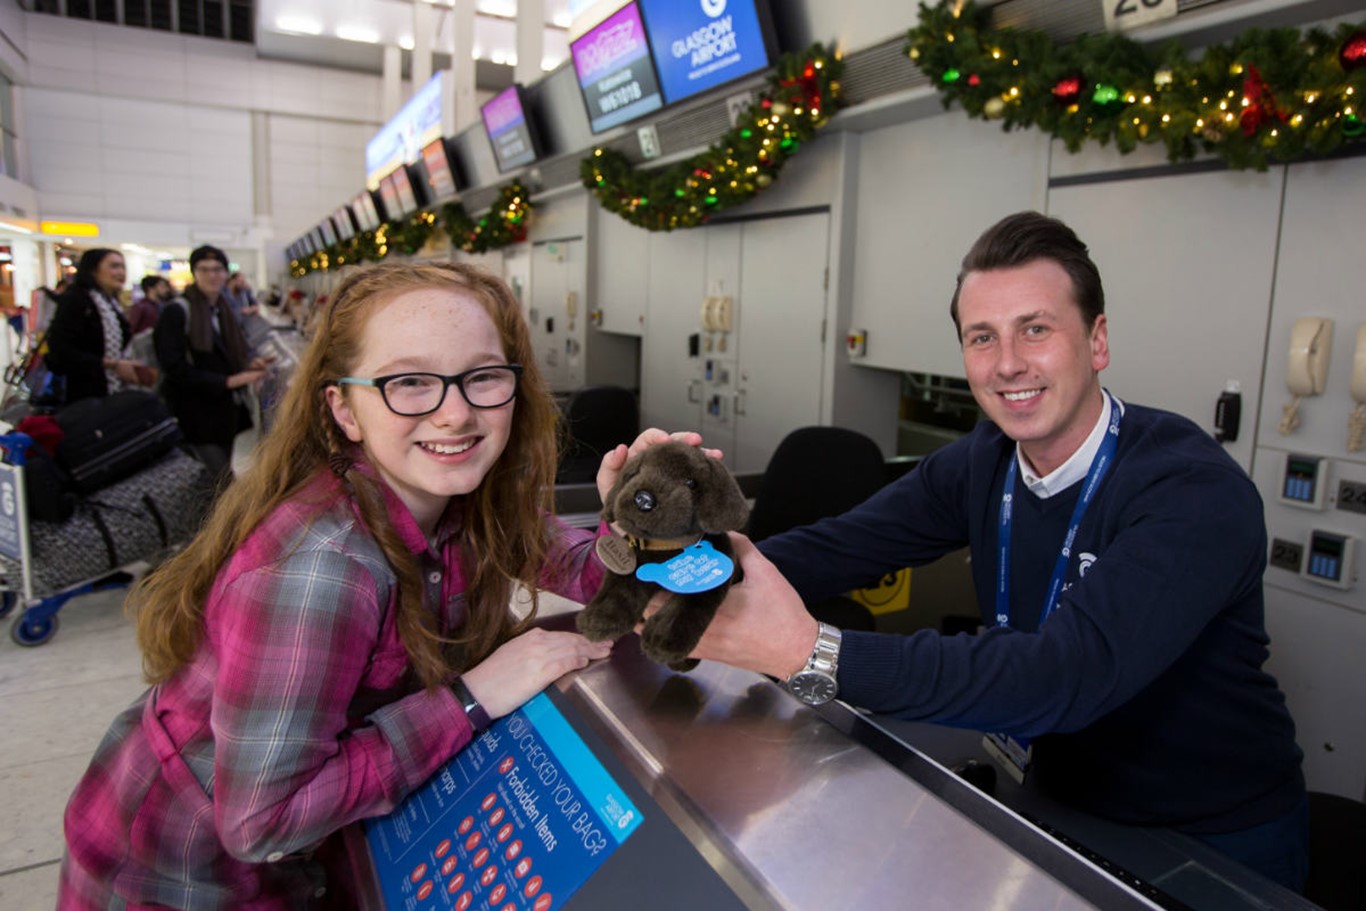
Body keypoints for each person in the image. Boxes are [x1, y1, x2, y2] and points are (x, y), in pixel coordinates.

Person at [684, 212, 1310, 891]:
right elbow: (842, 545)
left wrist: (810, 652)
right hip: (1056, 795)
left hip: (1209, 836)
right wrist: (698, 567)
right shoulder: (985, 459)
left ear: (1097, 342)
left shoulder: (1190, 489)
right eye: (983, 337)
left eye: (1035, 329)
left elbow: (1062, 676)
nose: (1008, 362)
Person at [58, 260, 673, 908]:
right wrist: (474, 694)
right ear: (344, 408)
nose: (455, 413)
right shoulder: (321, 567)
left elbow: (586, 568)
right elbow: (262, 821)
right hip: (175, 873)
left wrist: (641, 526)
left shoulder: (463, 501)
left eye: (484, 376)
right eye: (409, 382)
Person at [153, 245, 269, 489]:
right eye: (204, 269)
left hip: (223, 413)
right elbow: (173, 367)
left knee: (223, 476)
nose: (212, 275)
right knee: (220, 483)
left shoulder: (220, 310)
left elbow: (226, 352)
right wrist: (228, 381)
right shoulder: (178, 312)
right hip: (194, 415)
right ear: (194, 273)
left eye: (217, 269)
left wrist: (248, 364)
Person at [43, 248, 154, 403]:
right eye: (114, 266)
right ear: (93, 270)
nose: (121, 272)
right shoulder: (78, 300)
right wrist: (112, 364)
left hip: (109, 392)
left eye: (123, 267)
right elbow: (61, 351)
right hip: (82, 395)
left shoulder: (110, 303)